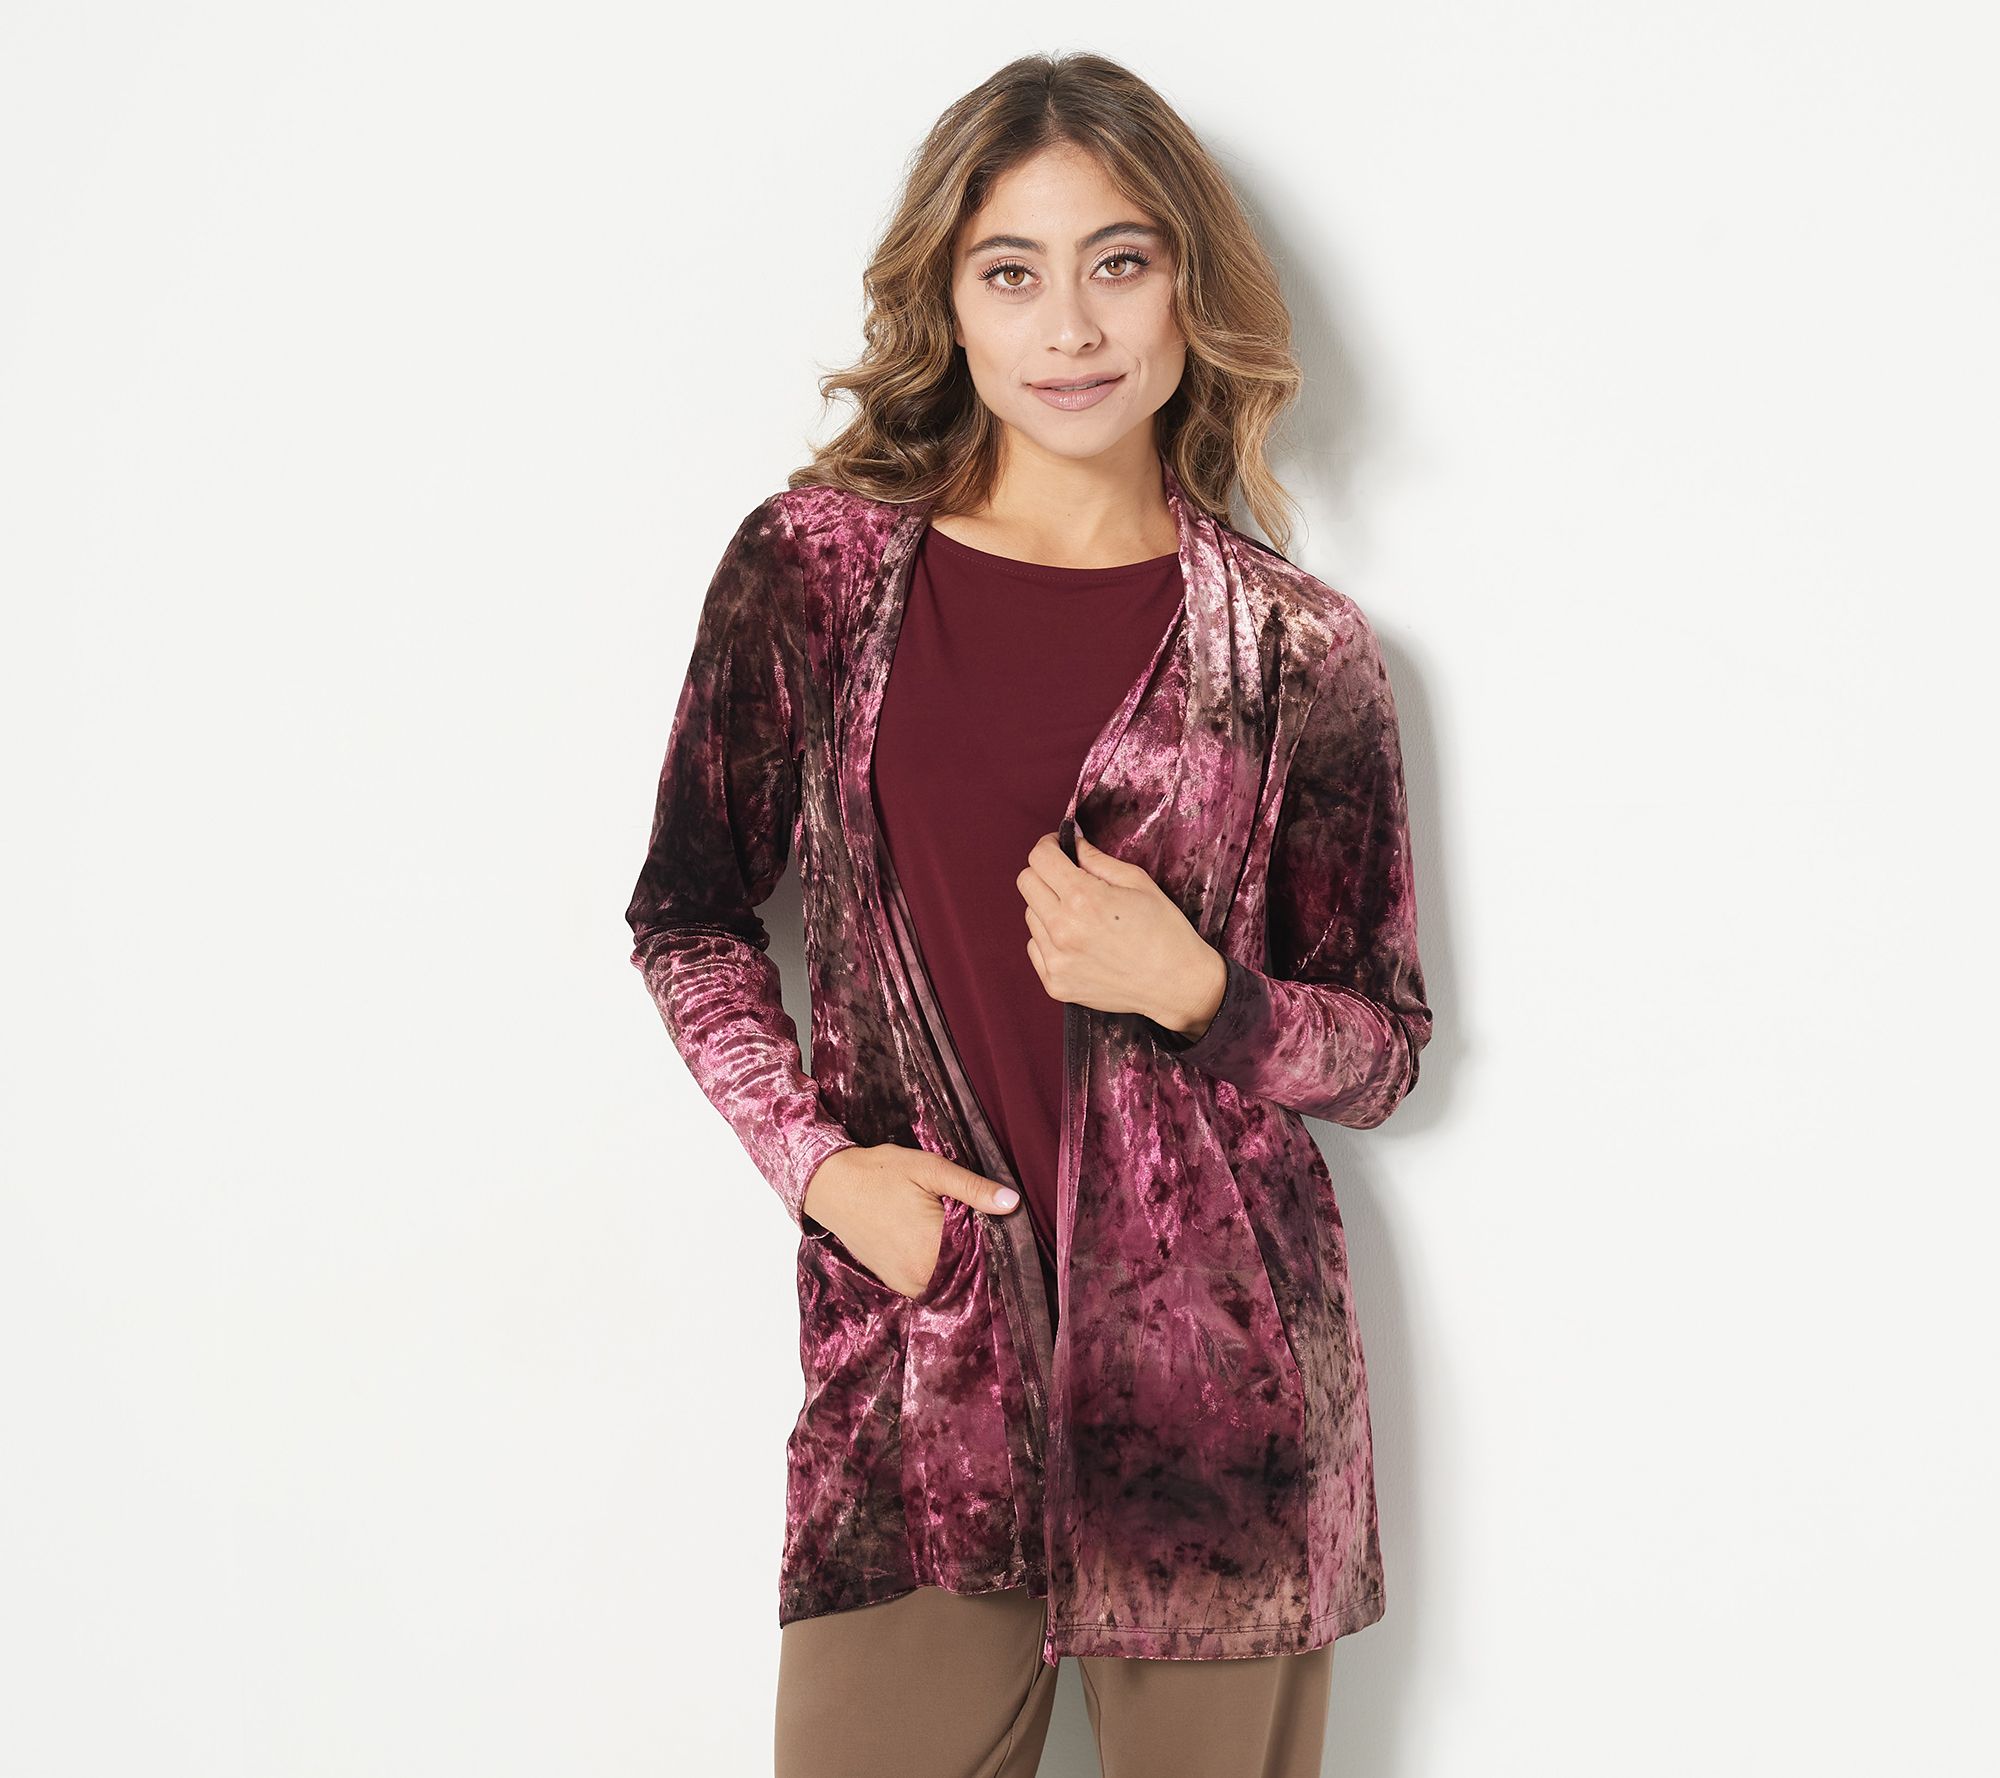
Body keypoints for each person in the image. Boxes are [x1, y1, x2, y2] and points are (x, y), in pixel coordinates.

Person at [623, 50, 1433, 1778]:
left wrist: (1203, 987)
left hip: (1221, 1409)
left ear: (1189, 290)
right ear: (950, 302)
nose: (1070, 326)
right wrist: (824, 1172)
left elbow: (1383, 1048)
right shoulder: (818, 572)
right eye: (1013, 271)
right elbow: (689, 915)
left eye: (1118, 262)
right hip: (922, 1382)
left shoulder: (1300, 650)